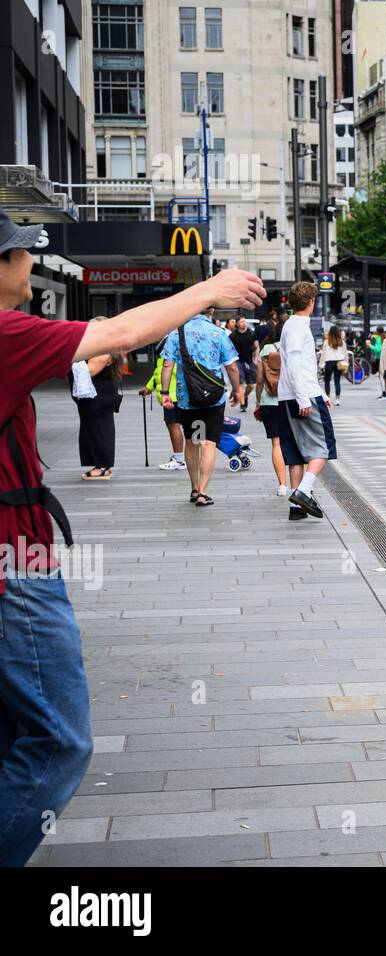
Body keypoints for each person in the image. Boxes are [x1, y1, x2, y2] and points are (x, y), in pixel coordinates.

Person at [0, 207, 263, 867]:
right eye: (22, 253)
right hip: (14, 565)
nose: (32, 264)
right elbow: (115, 329)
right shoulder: (2, 332)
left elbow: (107, 334)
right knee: (61, 742)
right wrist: (207, 289)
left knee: (14, 733)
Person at [160, 313, 243, 507]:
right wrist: (237, 391)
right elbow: (232, 367)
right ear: (212, 312)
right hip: (213, 398)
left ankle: (194, 487)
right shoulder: (218, 333)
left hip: (187, 397)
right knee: (208, 443)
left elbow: (167, 364)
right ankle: (203, 493)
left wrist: (165, 392)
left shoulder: (177, 334)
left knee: (193, 440)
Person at [278, 281, 337, 520]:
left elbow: (302, 366)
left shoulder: (291, 325)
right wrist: (306, 398)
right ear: (311, 302)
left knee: (296, 451)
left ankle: (296, 506)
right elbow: (294, 364)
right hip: (302, 396)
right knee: (324, 447)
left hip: (290, 395)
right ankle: (304, 490)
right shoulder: (299, 327)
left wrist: (321, 393)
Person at [70, 318, 123, 481]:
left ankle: (102, 466)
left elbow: (88, 371)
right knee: (94, 430)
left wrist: (71, 358)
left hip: (98, 397)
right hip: (97, 396)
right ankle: (101, 465)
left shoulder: (104, 351)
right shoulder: (102, 348)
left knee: (99, 431)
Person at [139, 339, 186, 471]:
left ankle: (179, 459)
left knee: (174, 425)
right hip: (171, 397)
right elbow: (158, 375)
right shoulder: (163, 359)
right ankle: (182, 458)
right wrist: (148, 388)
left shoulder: (174, 357)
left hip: (174, 397)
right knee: (173, 425)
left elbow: (170, 373)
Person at [255, 323, 288, 497]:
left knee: (276, 443)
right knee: (295, 442)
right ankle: (301, 483)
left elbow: (260, 379)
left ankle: (282, 484)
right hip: (290, 400)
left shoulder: (266, 349)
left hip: (269, 401)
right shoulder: (292, 346)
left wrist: (257, 400)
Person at [229, 316, 259, 412]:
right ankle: (242, 404)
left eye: (244, 321)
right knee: (240, 383)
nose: (244, 323)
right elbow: (229, 349)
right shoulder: (232, 336)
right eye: (241, 322)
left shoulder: (251, 333)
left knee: (251, 385)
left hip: (250, 361)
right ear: (237, 324)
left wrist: (256, 359)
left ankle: (245, 396)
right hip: (238, 361)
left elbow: (256, 346)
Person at [319, 325, 347, 405]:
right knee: (337, 381)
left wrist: (321, 365)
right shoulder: (342, 342)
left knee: (327, 381)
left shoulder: (326, 342)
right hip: (339, 362)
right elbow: (345, 354)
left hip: (329, 362)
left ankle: (327, 398)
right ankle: (337, 399)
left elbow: (323, 354)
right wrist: (346, 364)